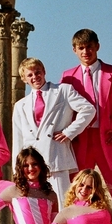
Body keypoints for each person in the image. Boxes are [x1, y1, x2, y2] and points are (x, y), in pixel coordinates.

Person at [61, 29, 112, 224]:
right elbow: (62, 109)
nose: (86, 51)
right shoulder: (67, 77)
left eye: (89, 47)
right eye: (81, 48)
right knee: (77, 191)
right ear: (74, 50)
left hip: (110, 139)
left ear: (97, 46)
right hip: (80, 141)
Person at [12, 58, 94, 206]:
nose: (35, 77)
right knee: (35, 205)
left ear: (44, 72)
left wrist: (69, 132)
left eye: (37, 72)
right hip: (31, 165)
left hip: (56, 158)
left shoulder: (63, 90)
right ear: (24, 79)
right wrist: (16, 170)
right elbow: (18, 139)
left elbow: (88, 110)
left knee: (62, 204)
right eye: (30, 75)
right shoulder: (20, 105)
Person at [0, 147, 60, 224]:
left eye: (34, 164)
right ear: (20, 168)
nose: (31, 168)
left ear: (41, 166)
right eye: (25, 165)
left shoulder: (51, 195)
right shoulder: (13, 191)